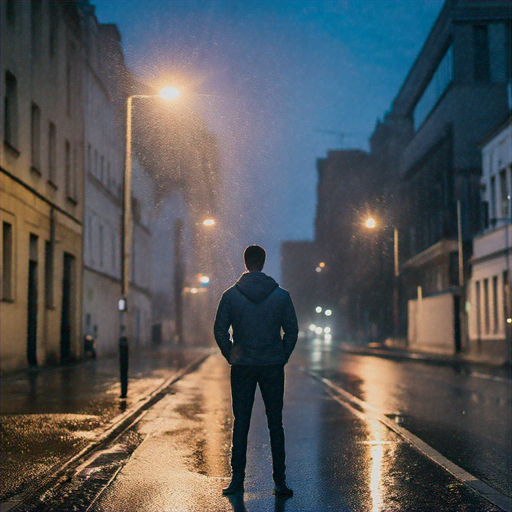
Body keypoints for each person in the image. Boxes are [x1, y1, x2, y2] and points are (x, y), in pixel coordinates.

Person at [214, 245, 299, 497]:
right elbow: (292, 330)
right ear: (263, 263)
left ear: (245, 262)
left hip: (242, 367)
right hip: (272, 365)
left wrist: (232, 355)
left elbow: (220, 330)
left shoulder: (230, 296)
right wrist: (281, 355)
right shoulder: (281, 296)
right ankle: (280, 482)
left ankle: (237, 481)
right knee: (276, 424)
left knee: (241, 422)